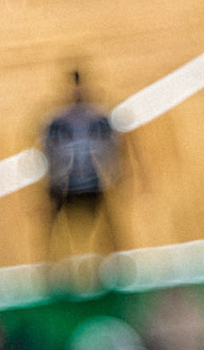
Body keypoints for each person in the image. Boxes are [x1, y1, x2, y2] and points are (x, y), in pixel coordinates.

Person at [42, 70, 122, 293]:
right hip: (68, 184)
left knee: (108, 227)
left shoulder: (92, 118)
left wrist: (114, 174)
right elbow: (49, 152)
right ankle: (54, 273)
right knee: (54, 228)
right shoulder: (60, 120)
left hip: (89, 181)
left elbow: (112, 148)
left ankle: (112, 268)